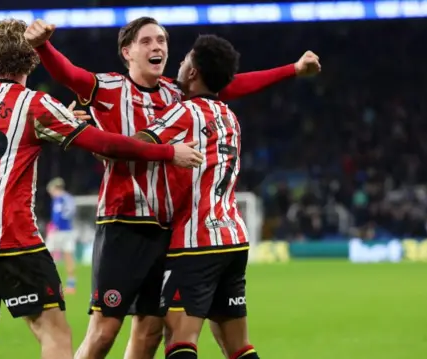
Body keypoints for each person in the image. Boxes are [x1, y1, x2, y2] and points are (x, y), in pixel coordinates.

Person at [25, 17, 321, 359]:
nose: (158, 47)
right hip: (123, 223)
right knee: (105, 330)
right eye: (148, 41)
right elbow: (68, 73)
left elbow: (230, 84)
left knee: (150, 330)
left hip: (168, 228)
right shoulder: (106, 89)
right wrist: (42, 46)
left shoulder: (176, 92)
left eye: (162, 41)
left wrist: (293, 69)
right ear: (127, 51)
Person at [0, 18, 203, 359]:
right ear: (31, 58)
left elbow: (13, 137)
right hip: (11, 236)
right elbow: (106, 145)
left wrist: (63, 121)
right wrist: (169, 151)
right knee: (55, 333)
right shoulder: (36, 104)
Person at [135, 34, 258, 359]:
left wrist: (88, 133)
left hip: (196, 241)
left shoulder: (184, 113)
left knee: (180, 340)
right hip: (233, 238)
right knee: (239, 347)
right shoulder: (230, 117)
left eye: (185, 58)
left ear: (192, 73)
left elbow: (135, 145)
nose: (179, 62)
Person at [46, 177, 78, 294]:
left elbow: (58, 216)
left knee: (47, 256)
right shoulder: (69, 198)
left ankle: (49, 283)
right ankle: (71, 284)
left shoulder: (59, 199)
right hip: (68, 231)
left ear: (56, 189)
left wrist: (54, 226)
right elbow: (71, 213)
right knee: (69, 257)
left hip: (58, 232)